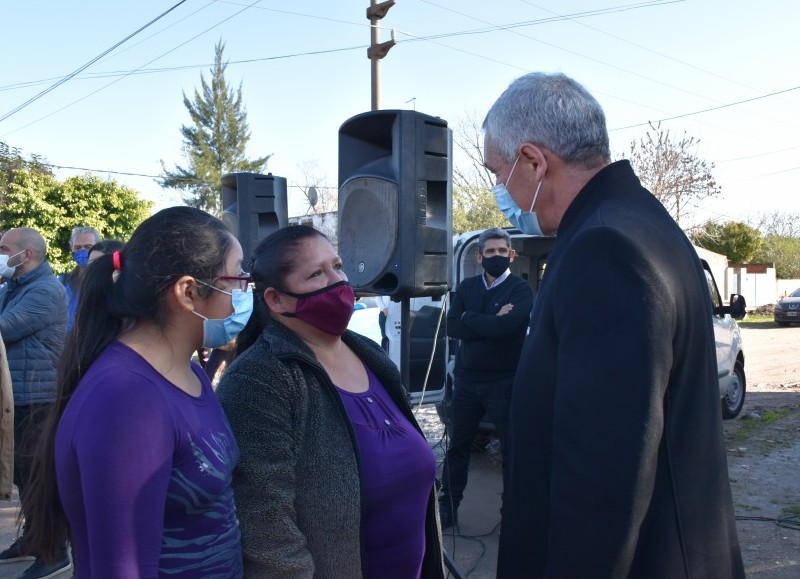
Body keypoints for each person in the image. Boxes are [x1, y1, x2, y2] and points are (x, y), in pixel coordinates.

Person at [482, 72, 744, 578]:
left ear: (534, 162)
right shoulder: (636, 220)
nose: (498, 189)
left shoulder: (605, 249)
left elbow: (602, 479)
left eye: (498, 172)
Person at [22, 206, 251, 577]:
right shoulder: (127, 400)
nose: (244, 290)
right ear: (188, 291)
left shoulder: (186, 371)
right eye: (236, 275)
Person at [216, 225, 444, 578]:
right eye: (316, 274)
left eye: (337, 266)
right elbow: (266, 526)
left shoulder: (369, 354)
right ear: (276, 300)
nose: (338, 282)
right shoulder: (259, 379)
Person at [438, 227, 532, 529]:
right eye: (490, 252)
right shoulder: (466, 288)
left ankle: (513, 513)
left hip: (505, 382)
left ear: (511, 255)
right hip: (467, 381)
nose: (496, 257)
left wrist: (472, 319)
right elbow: (453, 327)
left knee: (512, 451)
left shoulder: (520, 290)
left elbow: (507, 330)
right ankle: (448, 509)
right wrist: (491, 321)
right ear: (479, 256)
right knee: (457, 449)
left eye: (502, 252)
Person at [0, 227, 69, 578]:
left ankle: (54, 551)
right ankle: (33, 539)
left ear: (25, 256)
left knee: (40, 478)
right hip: (19, 396)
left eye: (3, 248)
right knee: (23, 477)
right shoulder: (14, 288)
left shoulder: (46, 290)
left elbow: (3, 328)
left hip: (37, 397)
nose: (0, 254)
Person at [59, 226, 101, 332]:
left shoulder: (111, 279)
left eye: (88, 246)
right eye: (77, 248)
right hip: (66, 345)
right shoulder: (63, 282)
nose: (82, 251)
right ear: (71, 249)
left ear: (99, 247)